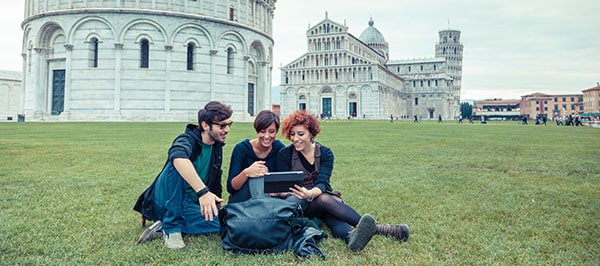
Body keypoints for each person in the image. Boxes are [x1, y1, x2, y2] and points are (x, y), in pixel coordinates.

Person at [275, 110, 409, 252]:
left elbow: (323, 182)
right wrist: (285, 193)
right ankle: (380, 228)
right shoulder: (285, 154)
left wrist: (310, 193)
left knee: (332, 214)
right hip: (300, 203)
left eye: (301, 134)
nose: (295, 138)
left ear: (311, 133)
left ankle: (351, 237)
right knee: (324, 200)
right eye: (292, 134)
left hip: (321, 197)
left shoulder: (325, 153)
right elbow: (285, 185)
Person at [136, 101, 233, 250]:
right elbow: (178, 156)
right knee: (177, 162)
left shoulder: (216, 147)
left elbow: (215, 177)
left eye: (229, 124)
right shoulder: (187, 139)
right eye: (222, 125)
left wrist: (215, 204)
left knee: (225, 222)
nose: (227, 129)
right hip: (166, 200)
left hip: (188, 205)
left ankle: (162, 226)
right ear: (205, 125)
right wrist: (203, 192)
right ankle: (172, 228)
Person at [227, 110, 285, 203]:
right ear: (256, 131)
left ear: (276, 132)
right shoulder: (242, 149)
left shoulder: (279, 149)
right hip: (244, 200)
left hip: (270, 200)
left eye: (271, 131)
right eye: (262, 131)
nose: (267, 136)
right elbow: (231, 188)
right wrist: (247, 173)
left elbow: (284, 182)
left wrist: (274, 185)